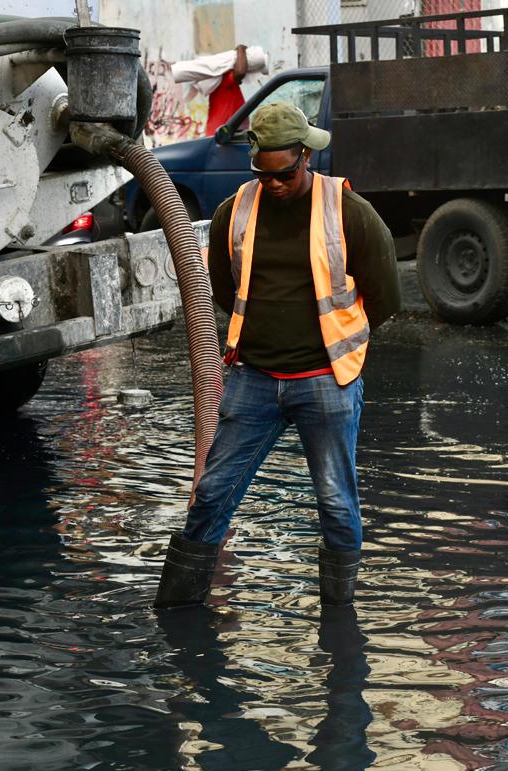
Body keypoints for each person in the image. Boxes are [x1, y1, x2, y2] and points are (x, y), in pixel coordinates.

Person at [155, 102, 400, 610]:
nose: (274, 185)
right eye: (263, 175)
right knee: (212, 492)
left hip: (326, 381)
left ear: (306, 156)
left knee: (336, 503)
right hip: (254, 380)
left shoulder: (348, 212)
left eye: (284, 175)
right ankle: (178, 612)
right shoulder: (234, 212)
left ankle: (339, 617)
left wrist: (337, 345)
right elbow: (224, 290)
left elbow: (386, 298)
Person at [204, 44, 248, 136]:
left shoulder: (217, 82)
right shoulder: (222, 80)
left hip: (220, 132)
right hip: (223, 134)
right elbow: (240, 72)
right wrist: (241, 49)